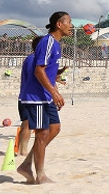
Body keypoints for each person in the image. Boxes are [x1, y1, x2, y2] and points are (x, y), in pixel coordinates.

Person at [17, 11, 73, 184]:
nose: (71, 26)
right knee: (41, 134)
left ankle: (26, 164)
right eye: (69, 22)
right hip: (36, 98)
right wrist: (54, 92)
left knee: (55, 128)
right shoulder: (47, 42)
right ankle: (40, 175)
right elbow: (38, 71)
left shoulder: (57, 45)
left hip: (46, 97)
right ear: (59, 24)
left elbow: (47, 73)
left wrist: (55, 87)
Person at [17, 36, 43, 157]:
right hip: (34, 98)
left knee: (26, 123)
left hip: (23, 97)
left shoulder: (28, 59)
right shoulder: (38, 60)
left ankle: (22, 150)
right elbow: (40, 76)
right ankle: (29, 151)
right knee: (39, 127)